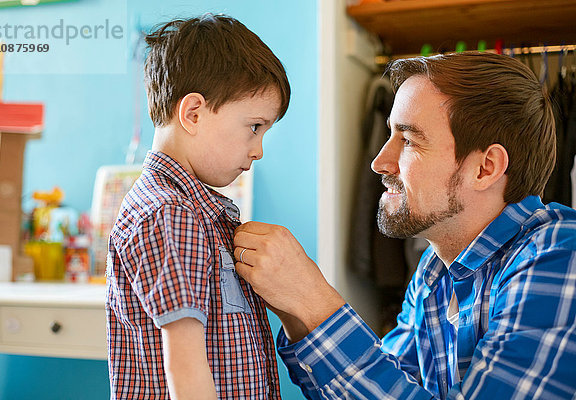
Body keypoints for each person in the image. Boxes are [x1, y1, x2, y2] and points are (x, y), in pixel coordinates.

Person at [233, 52, 576, 399]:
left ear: (485, 168)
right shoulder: (435, 270)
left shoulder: (561, 257)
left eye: (408, 140)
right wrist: (296, 311)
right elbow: (387, 386)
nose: (380, 162)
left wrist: (313, 302)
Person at [105, 14, 290, 399]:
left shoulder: (189, 210)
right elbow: (184, 363)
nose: (258, 150)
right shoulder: (170, 214)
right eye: (255, 127)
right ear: (192, 113)